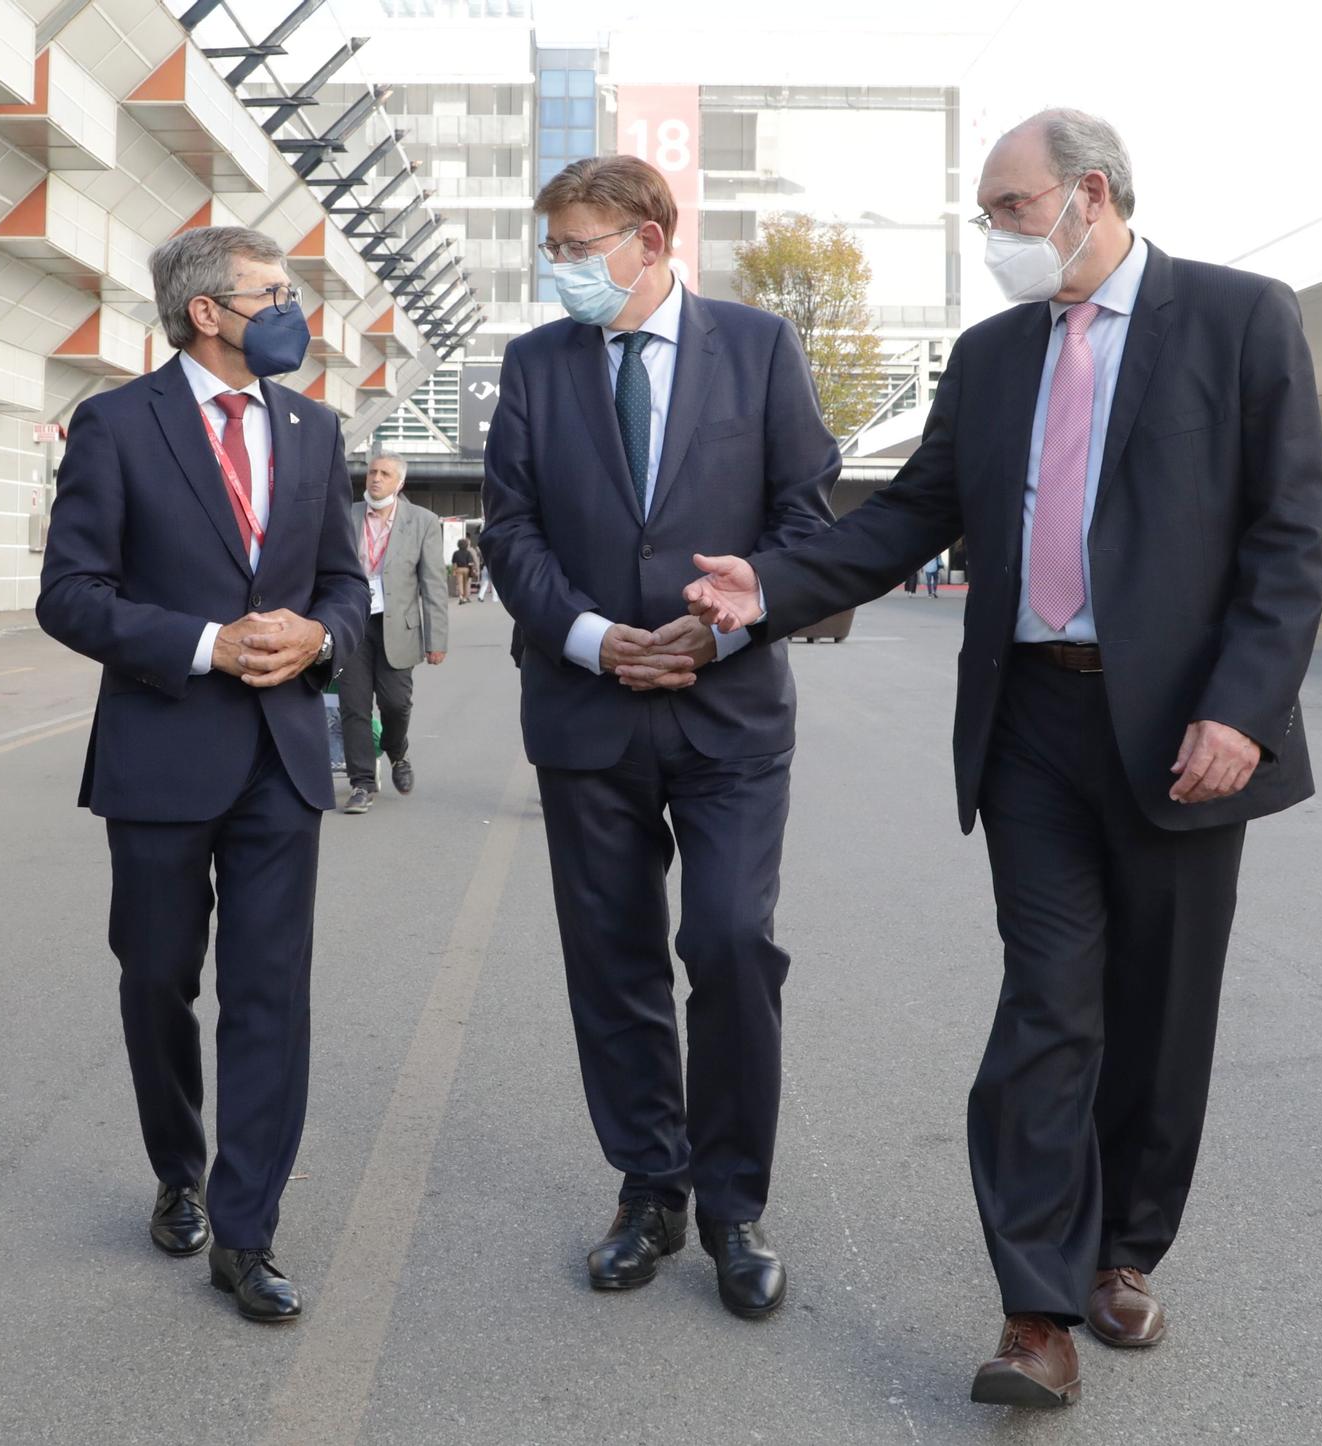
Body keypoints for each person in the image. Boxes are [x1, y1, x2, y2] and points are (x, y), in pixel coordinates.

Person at [685, 109, 1322, 1406]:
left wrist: (1243, 707)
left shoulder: (1240, 318)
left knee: (1160, 1014)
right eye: (986, 216)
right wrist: (773, 580)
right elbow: (916, 510)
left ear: (1090, 195)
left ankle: (1122, 1248)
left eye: (1010, 210)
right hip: (1032, 719)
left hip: (1183, 726)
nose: (994, 239)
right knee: (1047, 1002)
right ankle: (1034, 1309)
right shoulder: (989, 359)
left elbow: (1288, 530)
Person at [481, 153, 837, 1320]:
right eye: (556, 249)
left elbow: (803, 518)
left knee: (732, 944)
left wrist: (720, 632)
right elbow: (513, 526)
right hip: (586, 708)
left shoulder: (758, 347)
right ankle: (649, 1188)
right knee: (614, 960)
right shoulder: (535, 365)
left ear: (650, 238)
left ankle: (735, 1205)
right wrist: (589, 636)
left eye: (579, 247)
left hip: (726, 708)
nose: (563, 268)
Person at [36, 225, 368, 1324]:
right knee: (158, 979)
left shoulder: (316, 431)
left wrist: (315, 641)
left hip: (281, 755)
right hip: (161, 749)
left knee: (271, 995)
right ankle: (177, 1167)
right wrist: (205, 643)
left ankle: (247, 1232)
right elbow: (70, 595)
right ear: (208, 313)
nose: (294, 311)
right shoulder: (117, 424)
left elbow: (339, 585)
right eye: (273, 293)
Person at [339, 451, 448, 814]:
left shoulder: (423, 521)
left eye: (385, 474)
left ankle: (397, 752)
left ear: (399, 482)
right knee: (353, 707)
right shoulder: (346, 514)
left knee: (395, 704)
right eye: (372, 472)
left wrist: (436, 640)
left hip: (397, 627)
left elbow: (433, 584)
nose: (376, 479)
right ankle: (362, 784)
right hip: (352, 625)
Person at [451, 538, 474, 603]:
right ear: (466, 545)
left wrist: (454, 571)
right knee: (466, 584)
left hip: (459, 569)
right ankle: (465, 597)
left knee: (460, 583)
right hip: (466, 569)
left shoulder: (456, 553)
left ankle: (461, 596)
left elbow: (454, 563)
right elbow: (470, 563)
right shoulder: (468, 553)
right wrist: (472, 570)